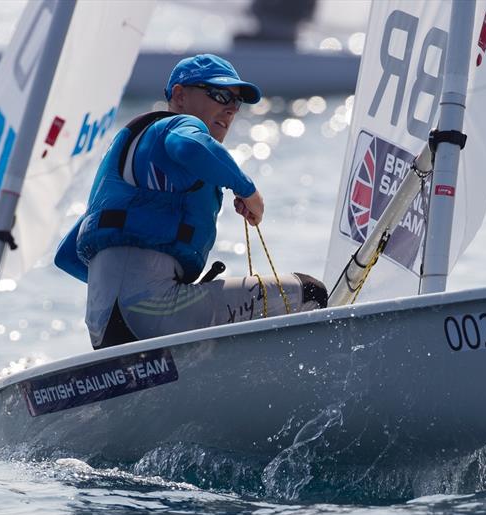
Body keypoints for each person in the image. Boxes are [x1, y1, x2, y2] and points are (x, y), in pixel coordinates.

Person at [54, 54, 327, 349]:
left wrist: (127, 286)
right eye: (220, 95)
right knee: (309, 293)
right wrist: (248, 192)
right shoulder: (179, 127)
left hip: (102, 329)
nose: (231, 109)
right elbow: (189, 147)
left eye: (237, 102)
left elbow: (67, 256)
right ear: (180, 96)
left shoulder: (131, 166)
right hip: (153, 312)